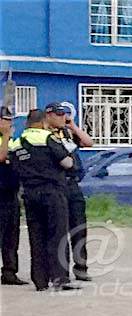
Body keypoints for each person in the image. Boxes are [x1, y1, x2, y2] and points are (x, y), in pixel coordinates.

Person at [7, 110, 78, 291]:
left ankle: (40, 280)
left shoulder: (16, 143)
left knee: (36, 237)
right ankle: (60, 278)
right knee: (57, 235)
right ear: (43, 122)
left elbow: (13, 166)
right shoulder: (47, 138)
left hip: (30, 194)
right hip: (52, 192)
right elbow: (67, 163)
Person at [45, 102, 94, 281]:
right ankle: (58, 269)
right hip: (56, 185)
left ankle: (81, 267)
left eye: (63, 115)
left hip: (73, 185)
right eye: (58, 115)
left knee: (79, 228)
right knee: (58, 230)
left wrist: (72, 126)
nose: (61, 118)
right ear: (49, 115)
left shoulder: (67, 133)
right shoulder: (45, 135)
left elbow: (89, 142)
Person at [0, 107, 27, 285]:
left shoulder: (13, 141)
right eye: (6, 120)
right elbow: (2, 157)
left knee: (11, 235)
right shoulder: (5, 140)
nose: (10, 124)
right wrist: (5, 136)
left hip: (11, 193)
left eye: (11, 120)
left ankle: (9, 272)